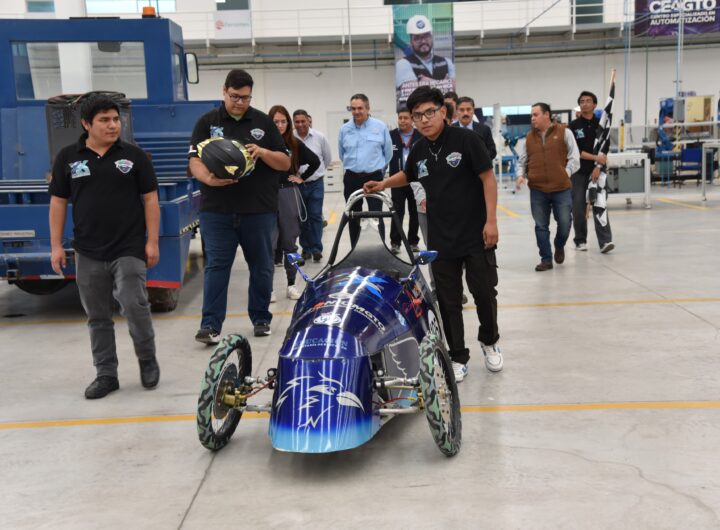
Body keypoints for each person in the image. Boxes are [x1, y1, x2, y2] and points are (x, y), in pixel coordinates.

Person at [364, 86, 503, 382]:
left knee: (484, 293)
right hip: (440, 238)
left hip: (476, 233)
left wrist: (491, 221)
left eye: (429, 112)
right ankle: (458, 356)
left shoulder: (467, 140)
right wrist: (383, 184)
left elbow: (488, 179)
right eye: (418, 115)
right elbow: (408, 175)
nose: (424, 119)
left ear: (442, 112)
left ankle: (490, 341)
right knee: (449, 301)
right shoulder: (419, 149)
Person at [49, 94, 161, 399]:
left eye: (115, 119)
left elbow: (150, 199)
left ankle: (147, 359)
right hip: (88, 250)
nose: (113, 125)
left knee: (134, 305)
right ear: (87, 124)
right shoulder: (68, 157)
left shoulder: (135, 156)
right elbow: (58, 202)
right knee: (97, 316)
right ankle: (106, 373)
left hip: (128, 246)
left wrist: (152, 241)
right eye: (105, 120)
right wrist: (56, 245)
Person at [189, 69, 290, 344]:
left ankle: (260, 318)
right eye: (235, 96)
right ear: (224, 91)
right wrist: (209, 178)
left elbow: (285, 162)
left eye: (245, 98)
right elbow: (194, 160)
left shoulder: (263, 122)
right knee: (216, 267)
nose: (240, 102)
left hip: (258, 209)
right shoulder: (207, 122)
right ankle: (210, 325)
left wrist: (263, 152)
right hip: (216, 210)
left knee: (261, 266)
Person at [516, 103, 580, 272]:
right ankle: (546, 259)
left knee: (565, 223)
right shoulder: (529, 138)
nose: (532, 118)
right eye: (531, 115)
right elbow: (522, 160)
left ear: (547, 115)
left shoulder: (564, 132)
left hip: (561, 188)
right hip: (538, 189)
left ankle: (559, 244)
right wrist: (520, 175)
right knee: (541, 226)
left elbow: (575, 157)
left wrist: (565, 173)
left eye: (535, 114)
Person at [269, 104, 320, 300]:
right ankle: (269, 289)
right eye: (276, 122)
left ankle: (291, 285)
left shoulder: (294, 143)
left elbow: (315, 161)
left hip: (288, 194)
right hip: (267, 196)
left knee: (290, 242)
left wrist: (301, 177)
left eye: (283, 121)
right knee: (269, 243)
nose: (280, 125)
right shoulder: (264, 144)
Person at [338, 93, 393, 247]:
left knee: (376, 215)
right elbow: (342, 154)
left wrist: (379, 169)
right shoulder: (344, 129)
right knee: (352, 216)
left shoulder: (380, 127)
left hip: (374, 177)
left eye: (360, 108)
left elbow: (388, 153)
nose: (356, 112)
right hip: (351, 178)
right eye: (353, 108)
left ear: (368, 108)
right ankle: (355, 250)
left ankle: (380, 249)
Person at [569, 91, 614, 253]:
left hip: (598, 171)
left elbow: (605, 147)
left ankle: (605, 241)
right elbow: (575, 151)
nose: (585, 104)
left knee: (600, 203)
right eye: (582, 101)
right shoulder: (573, 126)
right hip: (579, 172)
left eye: (588, 101)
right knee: (578, 206)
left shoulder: (601, 125)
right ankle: (580, 240)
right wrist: (595, 158)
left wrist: (598, 167)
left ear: (595, 105)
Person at [293, 109, 332, 263]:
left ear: (308, 121)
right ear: (293, 123)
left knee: (315, 216)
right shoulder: (290, 138)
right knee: (302, 217)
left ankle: (316, 249)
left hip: (316, 183)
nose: (300, 124)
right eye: (297, 122)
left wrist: (318, 172)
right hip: (297, 185)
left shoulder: (319, 137)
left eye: (303, 121)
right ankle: (306, 248)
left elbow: (327, 158)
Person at [389, 106, 422, 254]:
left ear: (412, 119)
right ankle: (395, 242)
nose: (402, 121)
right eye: (400, 118)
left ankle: (413, 242)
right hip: (397, 180)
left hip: (415, 180)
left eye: (406, 118)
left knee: (414, 212)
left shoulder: (420, 135)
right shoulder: (391, 136)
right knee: (397, 212)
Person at [395, 15, 456, 88]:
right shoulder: (403, 64)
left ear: (431, 38)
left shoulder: (447, 62)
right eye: (417, 38)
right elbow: (411, 91)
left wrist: (426, 83)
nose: (423, 41)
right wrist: (444, 85)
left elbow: (454, 88)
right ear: (411, 42)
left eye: (426, 36)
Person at [454, 96, 497, 160]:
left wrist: (478, 159)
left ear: (473, 110)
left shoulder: (484, 130)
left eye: (468, 109)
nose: (465, 113)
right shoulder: (450, 131)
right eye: (462, 110)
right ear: (456, 111)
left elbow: (492, 152)